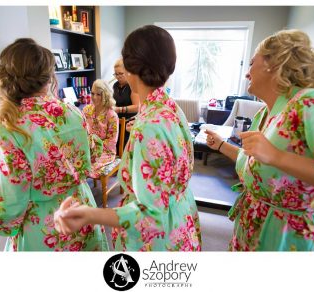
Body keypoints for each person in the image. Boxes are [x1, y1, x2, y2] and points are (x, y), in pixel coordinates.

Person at [54, 25, 203, 251]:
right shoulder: (170, 107)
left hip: (158, 239)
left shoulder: (150, 125)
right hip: (180, 218)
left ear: (131, 67)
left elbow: (150, 216)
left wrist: (89, 214)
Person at [0, 38, 108, 251]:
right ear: (48, 77)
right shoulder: (72, 112)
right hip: (81, 213)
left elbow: (9, 207)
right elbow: (93, 152)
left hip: (44, 229)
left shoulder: (6, 127)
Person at [205, 29, 314, 251]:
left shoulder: (310, 102)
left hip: (289, 238)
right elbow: (254, 161)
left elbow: (271, 156)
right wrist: (222, 145)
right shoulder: (263, 114)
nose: (246, 73)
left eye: (251, 63)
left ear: (275, 63)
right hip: (252, 227)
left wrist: (276, 156)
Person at [83, 79, 119, 178]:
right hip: (88, 148)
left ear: (105, 95)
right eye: (93, 93)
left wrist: (95, 147)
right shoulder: (86, 110)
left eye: (98, 94)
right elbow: (83, 131)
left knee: (87, 166)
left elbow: (112, 141)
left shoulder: (112, 115)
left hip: (105, 151)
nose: (94, 97)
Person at [112, 58, 140, 153]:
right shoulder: (115, 86)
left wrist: (119, 109)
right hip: (117, 123)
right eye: (116, 74)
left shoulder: (132, 86)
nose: (118, 77)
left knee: (126, 151)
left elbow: (137, 107)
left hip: (129, 124)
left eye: (121, 74)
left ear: (127, 72)